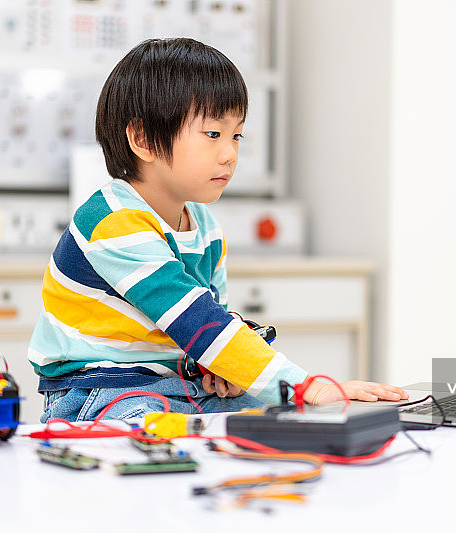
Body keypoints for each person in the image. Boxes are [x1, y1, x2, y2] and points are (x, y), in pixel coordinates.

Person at [28, 37, 408, 423]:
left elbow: (211, 322)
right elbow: (196, 320)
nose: (230, 153)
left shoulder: (205, 226)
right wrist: (308, 388)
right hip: (103, 389)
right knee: (159, 436)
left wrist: (215, 368)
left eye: (236, 136)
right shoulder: (114, 222)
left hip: (178, 386)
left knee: (272, 419)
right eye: (213, 134)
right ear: (142, 139)